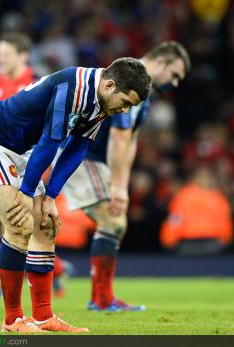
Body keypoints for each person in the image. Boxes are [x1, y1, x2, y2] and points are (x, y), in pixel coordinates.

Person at [0, 58, 151, 333]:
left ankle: (43, 316)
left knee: (47, 226)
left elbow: (77, 147)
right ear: (110, 85)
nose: (124, 110)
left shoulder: (100, 103)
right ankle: (12, 321)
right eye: (126, 102)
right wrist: (26, 193)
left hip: (20, 151)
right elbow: (51, 140)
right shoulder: (74, 86)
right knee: (21, 222)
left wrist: (50, 195)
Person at [61, 41, 190, 311]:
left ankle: (101, 298)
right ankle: (101, 299)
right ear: (162, 62)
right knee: (113, 221)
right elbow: (119, 138)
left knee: (114, 223)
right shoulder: (129, 81)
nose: (175, 83)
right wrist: (119, 188)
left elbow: (130, 142)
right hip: (83, 154)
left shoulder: (143, 92)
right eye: (175, 75)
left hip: (94, 159)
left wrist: (122, 185)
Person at [0, 32, 70, 300]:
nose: (1, 59)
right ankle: (22, 278)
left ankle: (49, 272)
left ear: (23, 56)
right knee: (10, 217)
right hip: (3, 159)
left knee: (36, 219)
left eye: (6, 54)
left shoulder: (37, 83)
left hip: (34, 159)